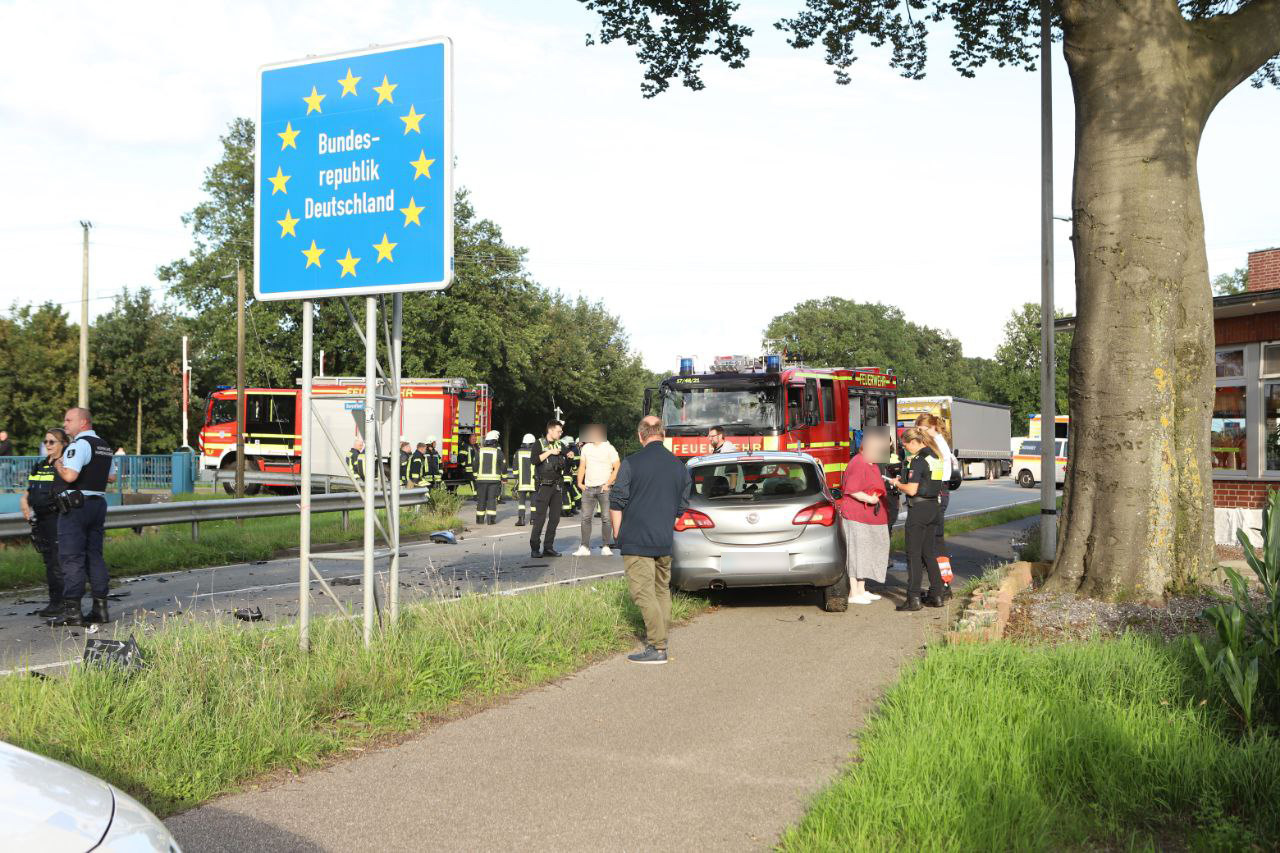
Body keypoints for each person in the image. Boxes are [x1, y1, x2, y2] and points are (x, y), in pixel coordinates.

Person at [609, 416, 692, 665]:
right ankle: (661, 639)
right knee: (660, 591)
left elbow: (617, 501)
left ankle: (657, 647)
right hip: (664, 539)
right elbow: (683, 504)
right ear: (662, 434)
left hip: (637, 540)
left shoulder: (632, 463)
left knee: (642, 593)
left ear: (640, 435)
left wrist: (617, 533)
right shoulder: (679, 466)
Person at [48, 407, 116, 626]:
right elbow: (112, 477)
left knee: (71, 557)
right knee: (94, 555)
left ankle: (72, 611)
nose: (65, 424)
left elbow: (70, 475)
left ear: (83, 422)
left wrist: (59, 465)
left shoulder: (79, 445)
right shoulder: (104, 446)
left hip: (76, 507)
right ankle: (100, 609)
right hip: (97, 504)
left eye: (69, 420)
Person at [891, 426, 945, 612]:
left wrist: (898, 484)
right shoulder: (935, 457)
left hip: (919, 509)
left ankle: (913, 597)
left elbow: (912, 490)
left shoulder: (919, 460)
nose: (906, 449)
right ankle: (937, 594)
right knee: (928, 553)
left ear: (914, 442)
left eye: (906, 446)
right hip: (933, 508)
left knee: (913, 555)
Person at [836, 428, 891, 606]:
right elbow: (852, 489)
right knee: (857, 552)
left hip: (872, 516)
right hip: (857, 516)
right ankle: (853, 591)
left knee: (868, 551)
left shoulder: (872, 464)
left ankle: (862, 588)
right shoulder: (858, 463)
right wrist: (869, 498)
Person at [21, 428, 70, 618]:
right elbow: (29, 489)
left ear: (63, 444)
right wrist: (24, 501)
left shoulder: (64, 465)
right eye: (46, 442)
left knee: (59, 562)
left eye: (52, 442)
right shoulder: (40, 465)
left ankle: (65, 603)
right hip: (40, 519)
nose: (47, 445)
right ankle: (55, 602)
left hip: (57, 518)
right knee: (49, 561)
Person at [915, 413, 958, 599]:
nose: (919, 434)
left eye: (921, 430)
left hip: (937, 493)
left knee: (932, 543)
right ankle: (944, 584)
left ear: (931, 427)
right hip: (942, 491)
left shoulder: (936, 445)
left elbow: (935, 474)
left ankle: (940, 587)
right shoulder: (941, 442)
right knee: (937, 541)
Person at [574, 424, 620, 556]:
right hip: (588, 488)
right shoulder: (586, 448)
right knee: (585, 518)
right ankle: (584, 547)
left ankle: (606, 546)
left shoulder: (609, 448)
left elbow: (617, 467)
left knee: (606, 518)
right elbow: (582, 466)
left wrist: (608, 483)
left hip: (604, 489)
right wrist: (579, 483)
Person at [529, 420, 567, 557]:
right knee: (540, 518)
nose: (561, 433)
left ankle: (548, 547)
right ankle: (534, 548)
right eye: (559, 431)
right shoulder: (539, 443)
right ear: (550, 431)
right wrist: (550, 452)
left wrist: (569, 454)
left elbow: (568, 452)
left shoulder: (560, 443)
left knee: (555, 518)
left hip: (556, 486)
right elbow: (534, 460)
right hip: (543, 486)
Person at [473, 429, 505, 526]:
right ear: (495, 441)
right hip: (494, 481)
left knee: (481, 499)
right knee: (491, 500)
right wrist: (504, 478)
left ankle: (480, 520)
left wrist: (475, 476)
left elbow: (475, 464)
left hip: (481, 480)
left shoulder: (480, 451)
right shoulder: (498, 452)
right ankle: (491, 520)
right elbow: (503, 466)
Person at [511, 433, 536, 526]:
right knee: (534, 503)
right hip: (534, 482)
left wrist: (517, 479)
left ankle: (521, 520)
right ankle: (533, 520)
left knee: (521, 502)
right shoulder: (536, 452)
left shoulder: (518, 452)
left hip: (522, 482)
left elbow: (515, 468)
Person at [560, 435, 581, 517]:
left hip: (563, 477)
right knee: (569, 493)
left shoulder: (562, 454)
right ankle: (571, 509)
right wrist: (575, 469)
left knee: (565, 494)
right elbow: (574, 466)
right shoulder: (570, 454)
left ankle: (566, 511)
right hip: (569, 476)